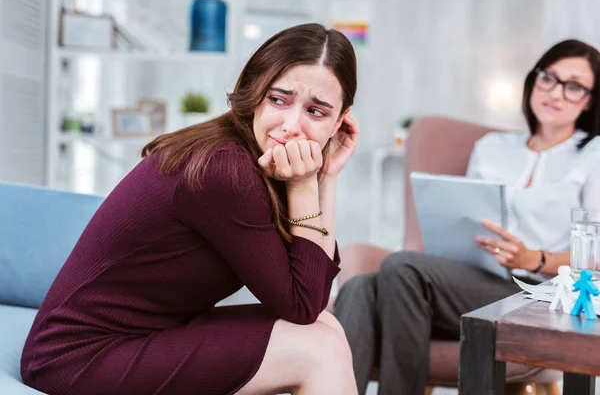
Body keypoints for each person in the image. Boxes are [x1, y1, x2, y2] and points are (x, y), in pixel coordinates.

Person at [21, 23, 360, 395]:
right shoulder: (225, 170)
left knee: (328, 329)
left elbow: (313, 292)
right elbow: (302, 303)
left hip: (143, 334)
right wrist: (305, 183)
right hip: (74, 358)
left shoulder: (255, 157)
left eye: (316, 111)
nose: (291, 125)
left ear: (339, 122)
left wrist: (326, 177)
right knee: (318, 349)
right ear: (254, 90)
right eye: (278, 100)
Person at [334, 38, 600, 395]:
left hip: (534, 293)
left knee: (401, 267)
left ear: (590, 100)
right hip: (472, 277)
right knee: (359, 288)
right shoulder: (491, 147)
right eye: (548, 78)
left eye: (574, 87)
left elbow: (594, 256)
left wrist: (534, 258)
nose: (556, 92)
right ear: (533, 81)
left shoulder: (592, 155)